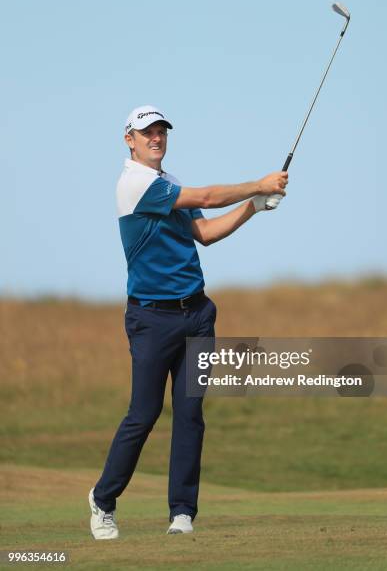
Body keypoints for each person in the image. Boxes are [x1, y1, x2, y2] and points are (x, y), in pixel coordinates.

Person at [88, 105, 288, 539]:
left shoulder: (169, 181)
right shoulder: (134, 184)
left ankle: (182, 512)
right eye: (147, 132)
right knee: (143, 414)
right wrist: (258, 182)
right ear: (129, 139)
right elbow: (209, 198)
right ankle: (103, 501)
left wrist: (254, 206)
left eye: (161, 131)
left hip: (196, 314)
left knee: (191, 413)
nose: (156, 138)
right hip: (151, 317)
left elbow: (207, 233)